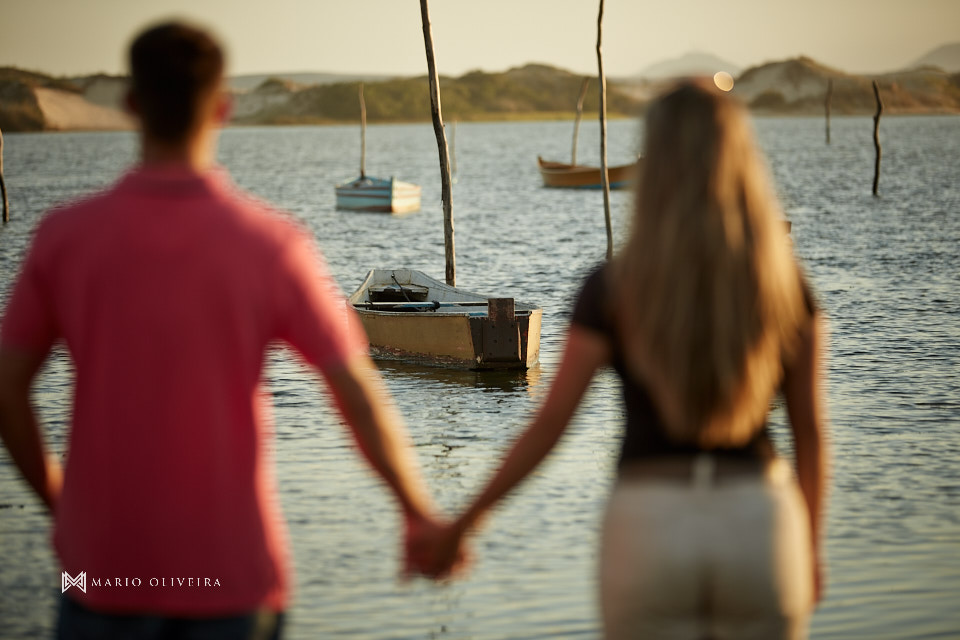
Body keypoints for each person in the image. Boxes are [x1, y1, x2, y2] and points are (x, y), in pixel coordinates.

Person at [0, 21, 449, 638]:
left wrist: (58, 500)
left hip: (99, 574)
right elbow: (355, 390)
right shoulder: (270, 245)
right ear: (223, 108)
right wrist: (417, 511)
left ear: (131, 104)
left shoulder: (64, 238)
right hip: (233, 577)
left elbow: (7, 387)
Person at [427, 81, 830, 639]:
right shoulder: (785, 285)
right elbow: (810, 432)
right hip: (758, 521)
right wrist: (808, 544)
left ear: (655, 162)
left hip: (650, 521)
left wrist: (462, 525)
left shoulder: (616, 286)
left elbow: (551, 423)